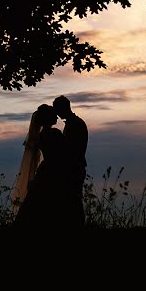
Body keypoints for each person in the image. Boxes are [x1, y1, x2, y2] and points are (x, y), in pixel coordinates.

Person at [12, 104, 69, 229]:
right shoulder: (54, 133)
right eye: (54, 115)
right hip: (53, 171)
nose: (57, 117)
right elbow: (65, 150)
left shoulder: (42, 135)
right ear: (48, 118)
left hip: (46, 170)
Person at [53, 95, 88, 228]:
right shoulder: (75, 123)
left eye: (57, 109)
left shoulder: (76, 124)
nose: (56, 113)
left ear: (63, 108)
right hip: (73, 168)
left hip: (74, 168)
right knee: (72, 200)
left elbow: (73, 150)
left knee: (74, 199)